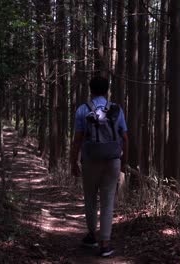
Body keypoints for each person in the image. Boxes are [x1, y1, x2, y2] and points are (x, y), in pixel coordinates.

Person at [70, 76, 128, 257]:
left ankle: (91, 236)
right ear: (107, 90)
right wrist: (123, 162)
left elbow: (77, 140)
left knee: (90, 198)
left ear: (90, 90)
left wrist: (73, 161)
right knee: (108, 200)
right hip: (112, 160)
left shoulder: (83, 110)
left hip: (90, 160)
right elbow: (125, 137)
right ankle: (105, 244)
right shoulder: (116, 109)